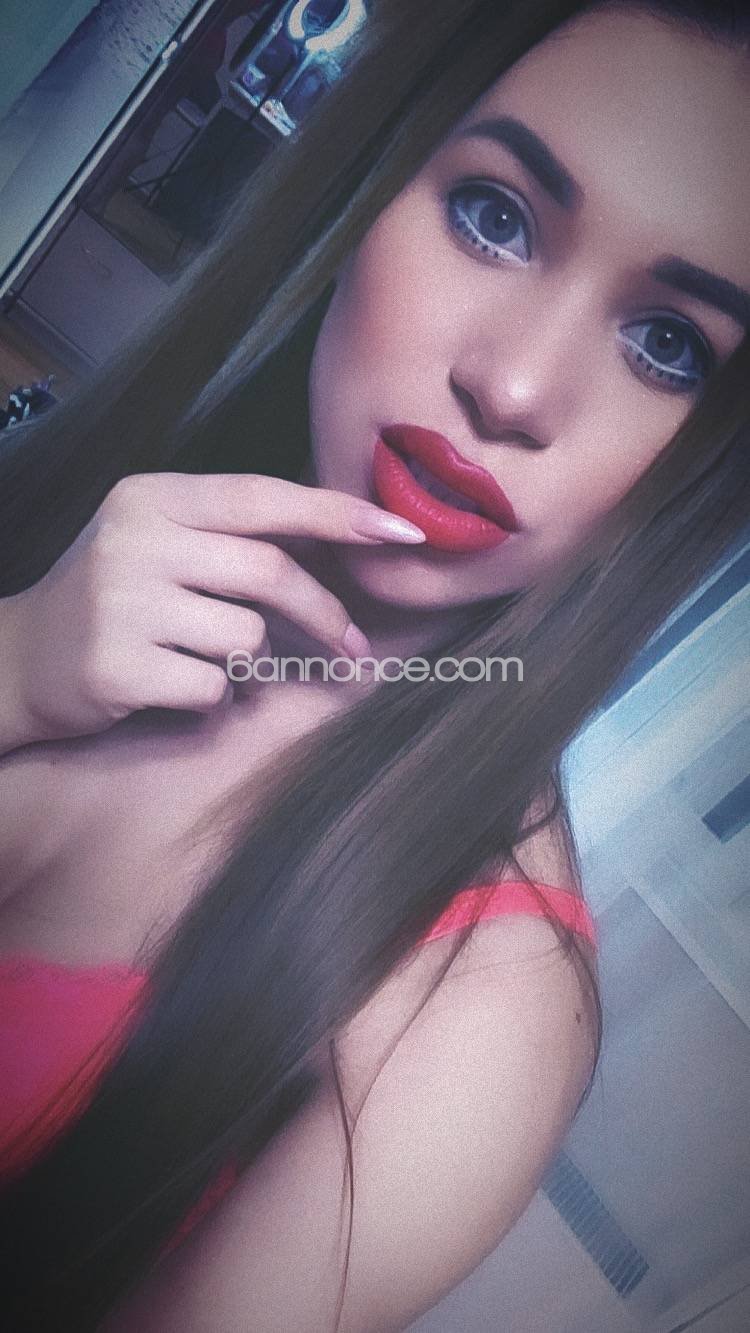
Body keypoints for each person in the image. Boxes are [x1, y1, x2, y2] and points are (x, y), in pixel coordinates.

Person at [0, 0, 747, 1328]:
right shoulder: (59, 478)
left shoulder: (477, 1010)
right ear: (373, 183)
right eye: (494, 216)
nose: (514, 387)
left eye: (666, 346)